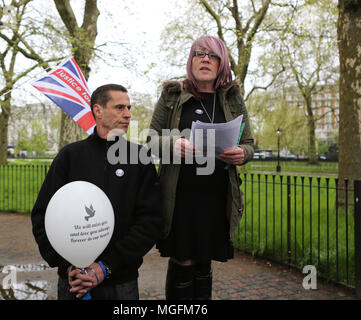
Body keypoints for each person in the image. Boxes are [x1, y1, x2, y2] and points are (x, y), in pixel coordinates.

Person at [31, 84, 162, 300]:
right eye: (120, 107)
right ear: (98, 111)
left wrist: (105, 267)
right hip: (74, 283)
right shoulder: (69, 157)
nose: (128, 114)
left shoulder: (139, 158)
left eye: (129, 108)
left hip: (121, 282)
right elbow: (42, 215)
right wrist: (67, 265)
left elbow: (151, 221)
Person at [148, 35, 254, 300]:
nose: (205, 59)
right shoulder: (172, 95)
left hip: (216, 197)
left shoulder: (232, 99)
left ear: (222, 63)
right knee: (183, 260)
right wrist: (173, 144)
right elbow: (150, 140)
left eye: (212, 55)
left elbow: (250, 143)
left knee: (204, 261)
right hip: (180, 197)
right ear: (191, 60)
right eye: (199, 53)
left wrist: (242, 153)